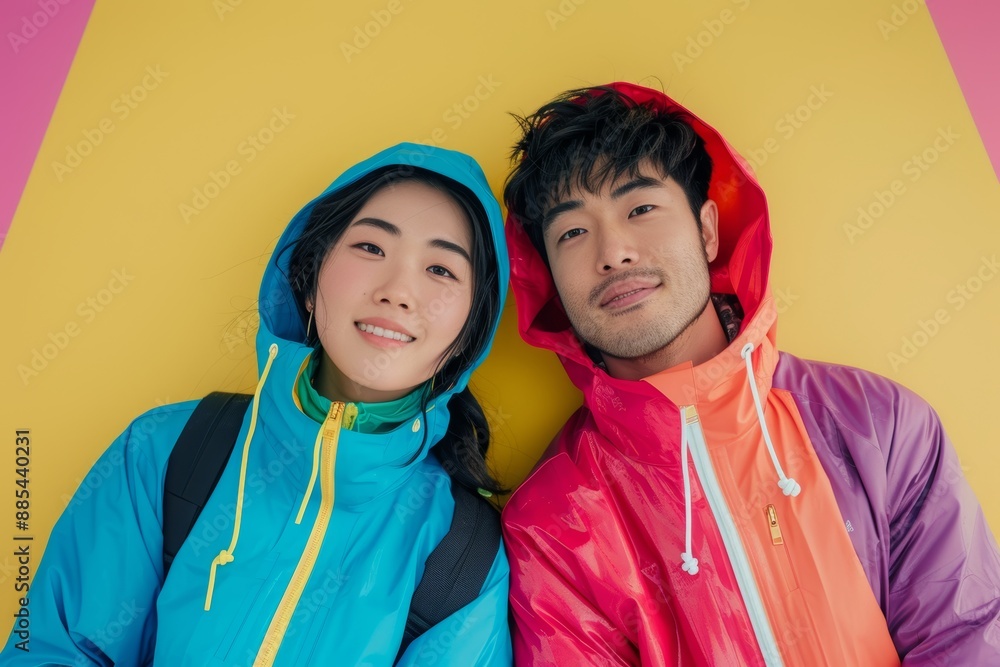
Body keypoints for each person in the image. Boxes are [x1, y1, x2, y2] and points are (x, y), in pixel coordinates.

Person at [500, 82, 1000, 666]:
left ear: (707, 230)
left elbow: (965, 639)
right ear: (552, 280)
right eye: (573, 233)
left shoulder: (879, 424)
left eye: (640, 209)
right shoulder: (554, 520)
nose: (613, 253)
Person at [1, 143, 513, 665]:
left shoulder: (466, 561)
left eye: (442, 270)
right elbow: (53, 649)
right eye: (371, 248)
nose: (398, 291)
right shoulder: (166, 452)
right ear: (309, 281)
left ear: (471, 334)